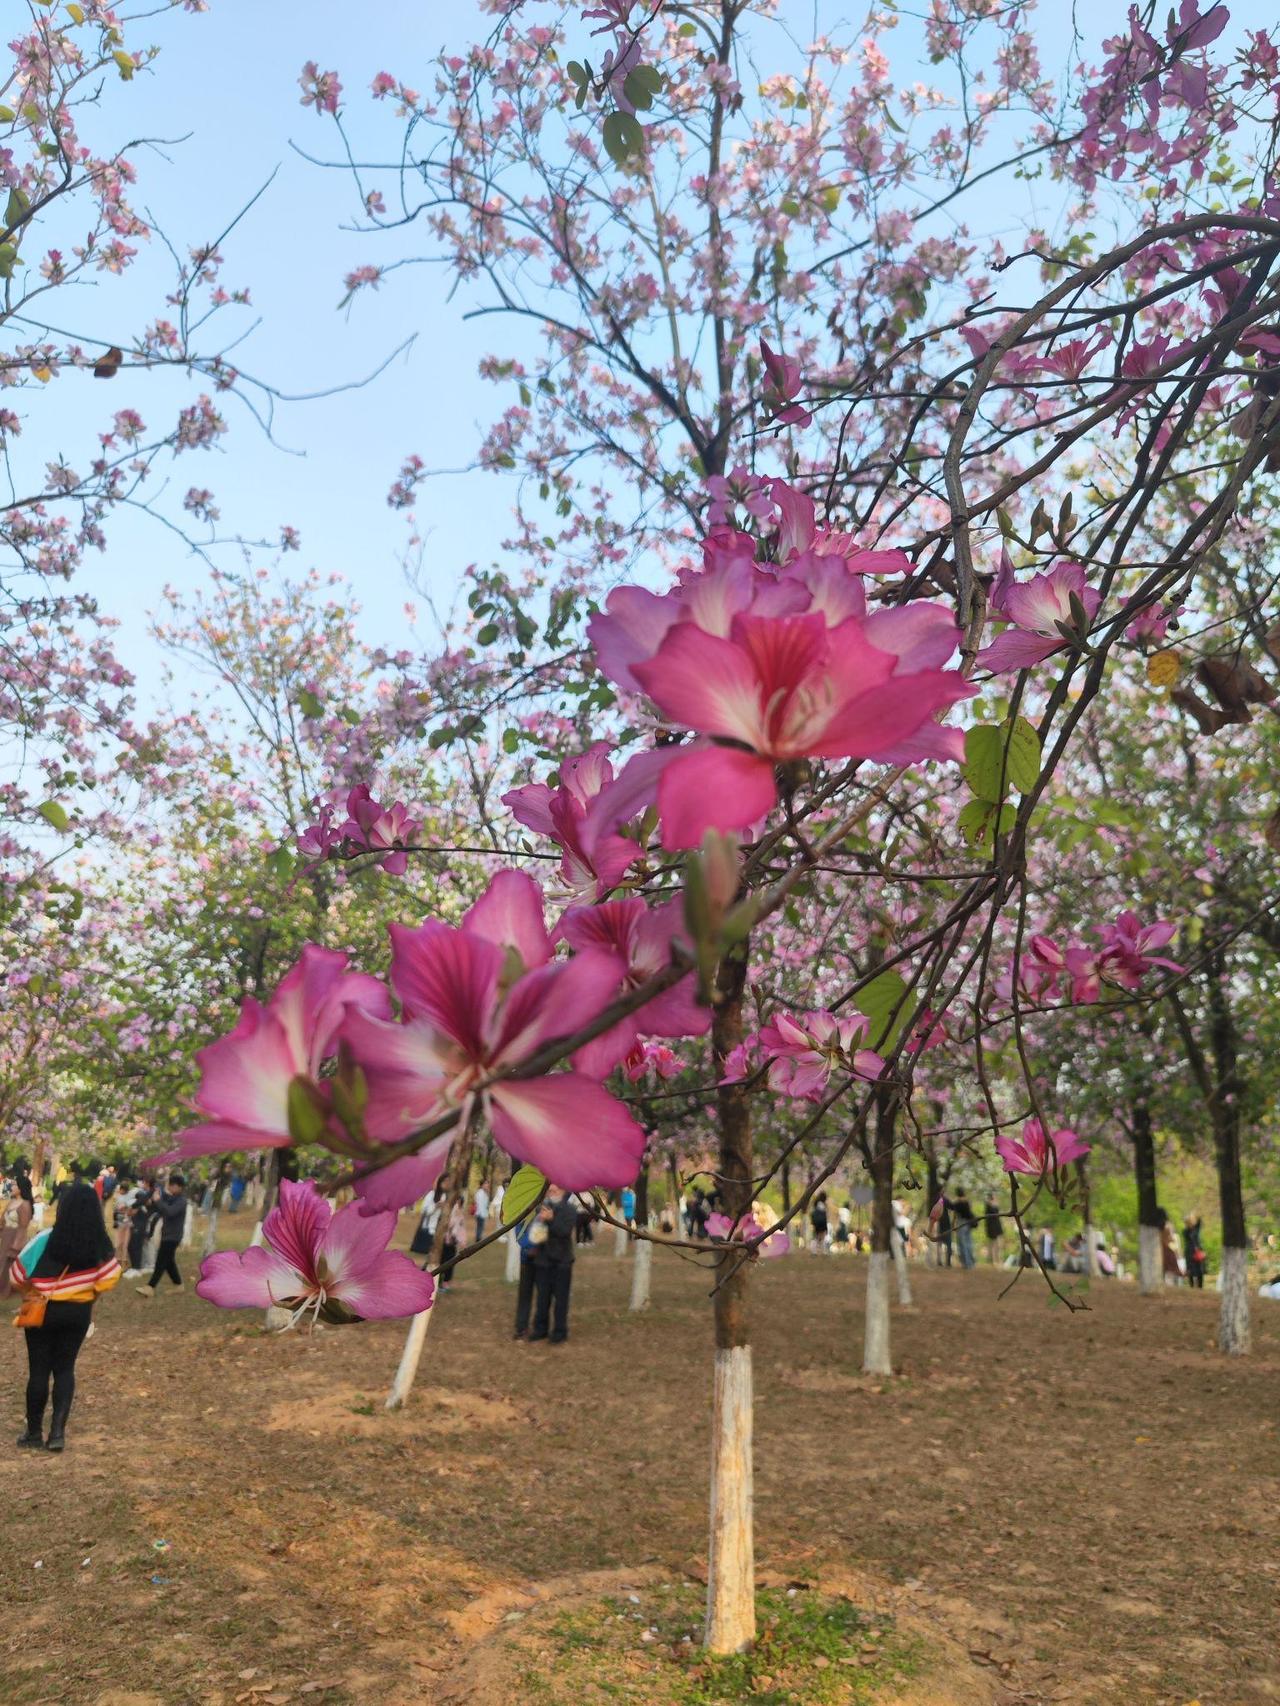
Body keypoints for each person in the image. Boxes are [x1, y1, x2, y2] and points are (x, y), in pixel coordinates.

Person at [11, 1180, 120, 1450]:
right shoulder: (99, 1244)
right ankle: (57, 1434)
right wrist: (87, 1290)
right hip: (77, 1315)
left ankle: (33, 1433)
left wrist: (34, 1289)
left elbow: (16, 1275)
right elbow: (109, 1278)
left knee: (38, 1371)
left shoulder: (45, 1239)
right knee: (64, 1369)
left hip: (41, 1312)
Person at [529, 1187, 579, 1343]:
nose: (552, 1190)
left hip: (562, 1261)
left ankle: (559, 1331)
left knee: (561, 1299)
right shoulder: (541, 1208)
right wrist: (541, 1221)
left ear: (564, 1190)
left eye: (556, 1187)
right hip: (543, 1260)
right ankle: (540, 1329)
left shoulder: (570, 1210)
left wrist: (551, 1220)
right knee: (542, 1298)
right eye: (550, 1187)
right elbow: (536, 1234)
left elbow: (564, 1231)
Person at [136, 1174, 188, 1295]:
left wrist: (158, 1200)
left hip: (173, 1236)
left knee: (160, 1262)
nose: (170, 1188)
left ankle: (150, 1287)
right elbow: (162, 1207)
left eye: (172, 1185)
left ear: (179, 1187)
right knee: (169, 1262)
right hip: (167, 1234)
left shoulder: (181, 1201)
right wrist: (155, 1198)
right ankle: (178, 1285)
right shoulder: (173, 1198)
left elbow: (169, 1212)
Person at [0, 1173, 34, 1297]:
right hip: (6, 1236)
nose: (11, 1187)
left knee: (8, 1265)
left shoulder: (25, 1205)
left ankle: (7, 1291)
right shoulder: (12, 1202)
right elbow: (3, 1220)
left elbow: (23, 1228)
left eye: (14, 1185)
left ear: (21, 1188)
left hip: (15, 1238)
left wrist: (16, 1245)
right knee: (2, 1262)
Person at [952, 1189, 977, 1269]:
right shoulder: (967, 1202)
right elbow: (970, 1211)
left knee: (962, 1244)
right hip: (968, 1223)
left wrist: (953, 1225)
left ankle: (966, 1263)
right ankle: (971, 1262)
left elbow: (955, 1215)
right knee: (969, 1243)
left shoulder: (956, 1203)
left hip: (961, 1223)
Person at [1183, 1213, 1206, 1288]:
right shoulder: (1185, 1231)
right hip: (1190, 1252)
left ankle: (1200, 1286)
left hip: (1197, 1251)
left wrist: (1195, 1214)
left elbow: (1199, 1221)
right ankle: (1191, 1286)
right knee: (1190, 1270)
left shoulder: (1196, 1228)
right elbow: (1190, 1238)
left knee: (1200, 1269)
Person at [983, 1195, 1003, 1264]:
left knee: (996, 1245)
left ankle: (996, 1260)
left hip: (995, 1229)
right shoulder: (989, 1206)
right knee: (994, 1245)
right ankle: (994, 1260)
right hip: (993, 1229)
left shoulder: (991, 1206)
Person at [473, 1179, 491, 1247]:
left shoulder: (484, 1192)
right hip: (480, 1213)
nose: (487, 1185)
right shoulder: (480, 1193)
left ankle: (479, 1239)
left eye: (487, 1184)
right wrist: (481, 1214)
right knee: (480, 1227)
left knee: (480, 1227)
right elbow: (480, 1204)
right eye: (485, 1184)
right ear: (482, 1185)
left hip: (482, 1213)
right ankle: (478, 1240)